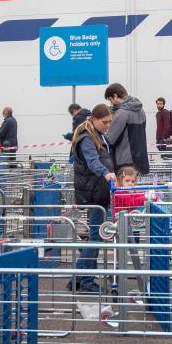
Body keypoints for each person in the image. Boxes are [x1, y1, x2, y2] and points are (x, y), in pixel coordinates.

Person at [69, 103, 116, 293]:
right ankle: (86, 280)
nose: (108, 125)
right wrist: (106, 173)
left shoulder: (97, 135)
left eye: (110, 122)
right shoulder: (87, 138)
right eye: (105, 122)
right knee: (95, 237)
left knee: (95, 237)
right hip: (93, 192)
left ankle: (78, 278)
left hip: (98, 191)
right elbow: (93, 161)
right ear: (95, 119)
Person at [104, 83, 150, 174]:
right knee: (136, 188)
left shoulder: (122, 113)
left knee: (123, 188)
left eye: (110, 100)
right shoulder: (141, 111)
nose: (111, 103)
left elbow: (110, 140)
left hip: (124, 162)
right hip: (141, 160)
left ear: (115, 96)